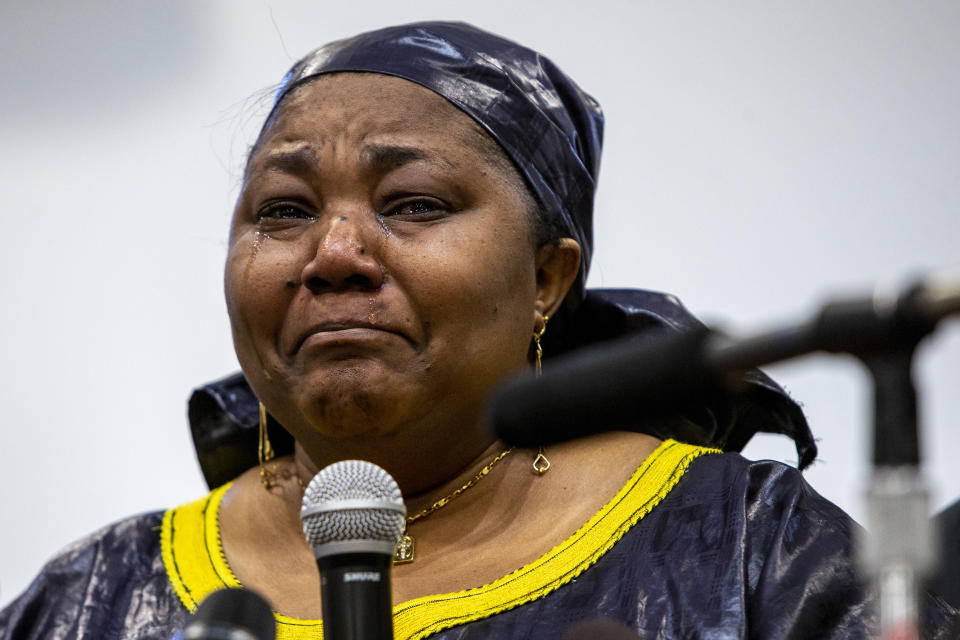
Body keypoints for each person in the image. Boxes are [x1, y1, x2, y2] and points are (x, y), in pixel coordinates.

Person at [1, 21, 956, 640]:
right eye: (283, 212)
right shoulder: (94, 597)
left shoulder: (744, 546)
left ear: (548, 278)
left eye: (412, 204)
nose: (333, 252)